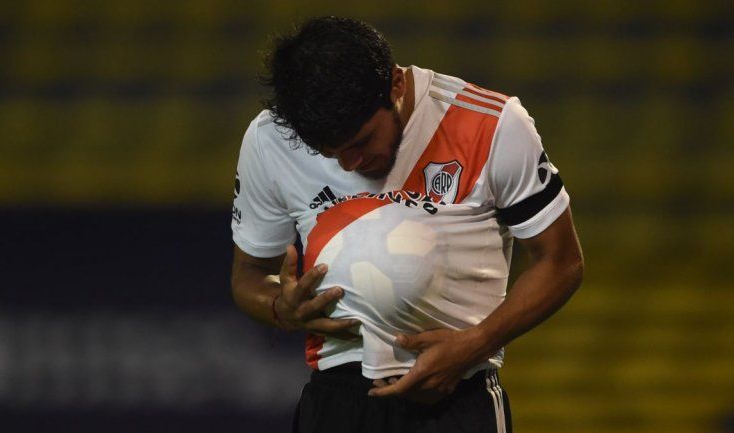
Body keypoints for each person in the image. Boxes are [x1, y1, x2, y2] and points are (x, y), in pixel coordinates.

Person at [230, 16, 583, 433]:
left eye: (361, 142)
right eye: (329, 153)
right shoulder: (270, 139)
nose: (349, 165)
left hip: (458, 397)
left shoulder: (494, 124)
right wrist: (279, 307)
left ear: (395, 85)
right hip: (334, 403)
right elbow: (249, 275)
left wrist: (476, 344)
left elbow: (561, 262)